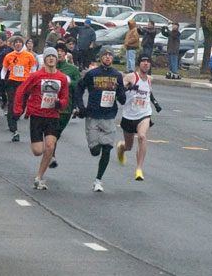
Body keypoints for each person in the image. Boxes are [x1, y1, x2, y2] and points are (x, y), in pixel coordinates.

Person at [13, 47, 69, 190]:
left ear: (57, 59)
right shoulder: (36, 76)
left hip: (53, 116)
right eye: (48, 56)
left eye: (53, 56)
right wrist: (18, 109)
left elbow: (65, 97)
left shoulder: (61, 78)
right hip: (37, 115)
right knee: (38, 151)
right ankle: (46, 157)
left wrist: (60, 103)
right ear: (44, 59)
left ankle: (39, 177)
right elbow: (21, 90)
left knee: (50, 146)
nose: (51, 59)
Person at [74, 46, 126, 192]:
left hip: (109, 116)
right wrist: (80, 106)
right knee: (95, 151)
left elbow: (122, 96)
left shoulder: (117, 75)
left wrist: (123, 94)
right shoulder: (92, 74)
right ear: (100, 57)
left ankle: (98, 180)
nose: (108, 57)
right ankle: (95, 148)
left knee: (107, 148)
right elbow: (79, 88)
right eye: (105, 55)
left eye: (110, 55)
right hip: (93, 115)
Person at [116, 54, 161, 181]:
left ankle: (139, 169)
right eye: (143, 61)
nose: (145, 64)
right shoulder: (131, 77)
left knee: (142, 136)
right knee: (129, 146)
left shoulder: (149, 79)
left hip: (144, 114)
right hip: (129, 115)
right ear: (139, 64)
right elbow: (120, 88)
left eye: (148, 62)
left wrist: (155, 103)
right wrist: (127, 87)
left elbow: (149, 92)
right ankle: (121, 148)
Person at [51, 41, 81, 168]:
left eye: (62, 51)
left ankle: (50, 150)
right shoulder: (49, 67)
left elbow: (80, 86)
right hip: (50, 106)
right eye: (57, 51)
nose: (59, 53)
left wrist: (68, 82)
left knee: (57, 132)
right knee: (51, 132)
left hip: (66, 107)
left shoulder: (72, 69)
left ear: (65, 53)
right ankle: (51, 155)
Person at [1, 36, 37, 142]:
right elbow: (4, 69)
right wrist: (3, 79)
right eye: (15, 42)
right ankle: (14, 128)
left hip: (24, 83)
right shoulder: (9, 56)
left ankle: (15, 117)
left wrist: (32, 79)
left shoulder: (29, 56)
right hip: (12, 82)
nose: (17, 44)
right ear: (13, 44)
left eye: (19, 42)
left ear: (22, 44)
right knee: (12, 103)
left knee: (22, 106)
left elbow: (33, 69)